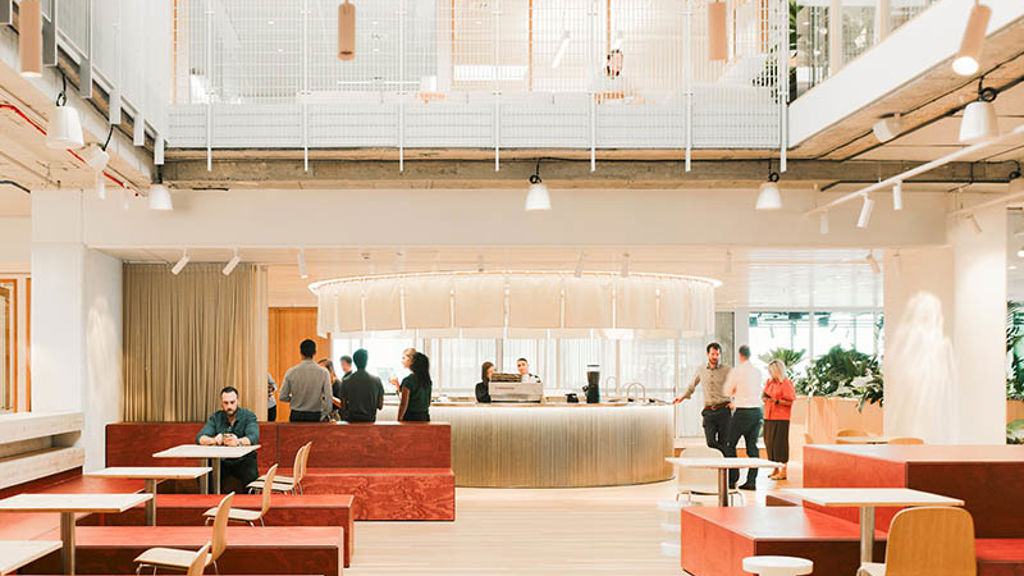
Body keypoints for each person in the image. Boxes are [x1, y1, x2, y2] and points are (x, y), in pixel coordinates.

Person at [673, 342, 735, 483]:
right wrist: (682, 398)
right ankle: (726, 464)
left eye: (717, 354)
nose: (715, 357)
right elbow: (692, 386)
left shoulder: (727, 370)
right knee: (711, 443)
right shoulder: (701, 370)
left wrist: (734, 401)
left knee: (724, 443)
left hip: (724, 411)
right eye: (713, 354)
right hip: (708, 412)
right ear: (708, 354)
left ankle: (730, 479)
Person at [197, 386, 259, 493]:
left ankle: (250, 500)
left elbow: (253, 437)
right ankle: (210, 500)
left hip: (243, 461)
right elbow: (200, 438)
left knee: (250, 470)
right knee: (205, 473)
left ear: (238, 401)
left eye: (232, 402)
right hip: (222, 462)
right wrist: (214, 440)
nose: (229, 406)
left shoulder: (249, 416)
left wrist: (238, 442)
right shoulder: (216, 417)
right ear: (221, 403)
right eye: (226, 403)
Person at [725, 345, 764, 490]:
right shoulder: (757, 372)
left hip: (742, 412)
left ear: (740, 355)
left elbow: (728, 391)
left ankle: (732, 480)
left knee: (730, 445)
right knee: (752, 447)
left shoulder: (737, 371)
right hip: (756, 411)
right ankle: (751, 481)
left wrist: (735, 393)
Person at [280, 339, 333, 422]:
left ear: (300, 353)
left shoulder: (291, 372)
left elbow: (282, 396)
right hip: (315, 415)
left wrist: (295, 399)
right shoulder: (324, 372)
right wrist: (325, 414)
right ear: (315, 353)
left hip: (296, 414)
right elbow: (328, 397)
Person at [763, 359, 796, 481]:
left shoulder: (786, 383)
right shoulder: (769, 382)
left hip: (781, 417)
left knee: (780, 445)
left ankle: (784, 471)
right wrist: (766, 399)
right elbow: (764, 395)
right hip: (768, 416)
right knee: (770, 444)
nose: (770, 374)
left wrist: (776, 401)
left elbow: (790, 402)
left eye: (771, 371)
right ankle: (775, 468)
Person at [340, 348, 386, 423]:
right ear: (366, 361)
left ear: (354, 362)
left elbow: (343, 407)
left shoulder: (346, 381)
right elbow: (380, 406)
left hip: (352, 421)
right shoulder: (376, 380)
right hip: (370, 421)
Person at [398, 351, 432, 422]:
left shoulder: (408, 380)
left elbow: (403, 404)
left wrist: (399, 418)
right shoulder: (428, 381)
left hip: (410, 417)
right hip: (424, 416)